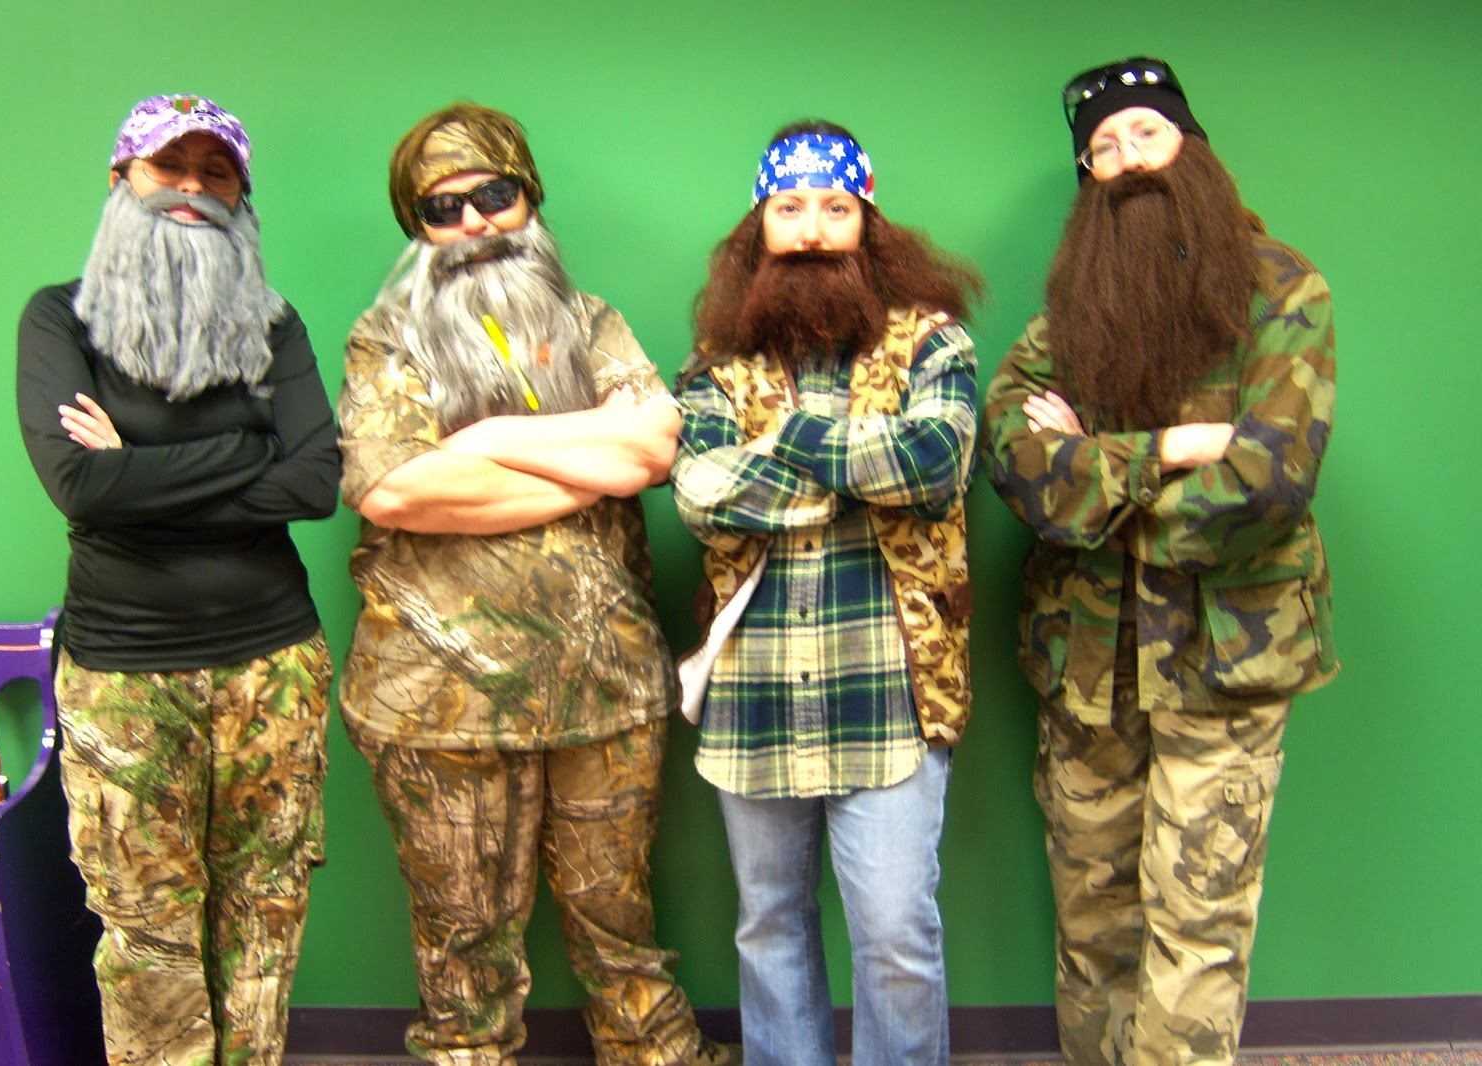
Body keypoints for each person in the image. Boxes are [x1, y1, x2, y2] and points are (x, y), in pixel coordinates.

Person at [336, 102, 734, 1066]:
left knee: (621, 924)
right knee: (462, 947)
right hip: (438, 703)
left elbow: (651, 450)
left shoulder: (592, 325)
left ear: (530, 198)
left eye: (494, 195)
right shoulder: (385, 340)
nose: (474, 223)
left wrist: (486, 440)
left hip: (606, 688)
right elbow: (396, 489)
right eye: (443, 209)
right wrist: (585, 467)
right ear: (418, 229)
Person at [981, 57, 1339, 1066]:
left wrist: (1095, 478)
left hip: (1227, 666)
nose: (1126, 158)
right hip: (1086, 665)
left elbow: (1267, 484)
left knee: (1198, 931)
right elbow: (1013, 459)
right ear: (1087, 180)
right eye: (1101, 148)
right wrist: (1170, 450)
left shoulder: (1284, 288)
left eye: (1146, 132)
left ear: (1193, 149)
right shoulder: (1068, 311)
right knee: (1092, 924)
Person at [15, 94, 340, 1065]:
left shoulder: (274, 328)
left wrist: (138, 471)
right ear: (122, 180)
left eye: (216, 171)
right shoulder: (59, 319)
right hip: (123, 673)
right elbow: (80, 485)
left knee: (265, 913)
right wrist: (249, 450)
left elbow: (316, 483)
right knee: (145, 926)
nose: (191, 187)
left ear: (241, 196)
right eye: (169, 166)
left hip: (273, 664)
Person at [670, 120, 983, 1066]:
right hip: (755, 692)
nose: (811, 230)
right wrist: (857, 471)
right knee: (769, 925)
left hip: (891, 692)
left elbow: (934, 465)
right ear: (759, 227)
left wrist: (788, 442)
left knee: (896, 937)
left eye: (835, 208)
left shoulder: (934, 344)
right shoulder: (716, 363)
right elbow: (703, 497)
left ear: (869, 224)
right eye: (790, 208)